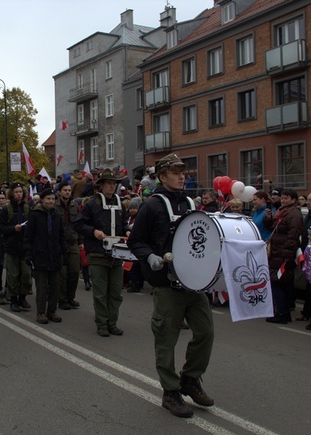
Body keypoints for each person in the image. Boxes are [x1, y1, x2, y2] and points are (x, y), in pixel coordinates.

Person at [128, 153, 214, 418]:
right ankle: (170, 392)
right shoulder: (151, 206)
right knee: (167, 338)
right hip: (166, 284)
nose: (181, 176)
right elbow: (136, 241)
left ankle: (190, 378)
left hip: (193, 283)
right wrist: (150, 256)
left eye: (183, 172)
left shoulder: (190, 202)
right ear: (162, 176)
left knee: (205, 332)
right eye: (176, 172)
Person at [74, 169, 128, 337]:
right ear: (102, 185)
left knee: (116, 292)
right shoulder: (92, 204)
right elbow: (79, 224)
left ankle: (112, 323)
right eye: (109, 183)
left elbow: (123, 224)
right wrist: (93, 231)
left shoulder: (120, 203)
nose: (112, 186)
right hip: (98, 254)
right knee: (100, 293)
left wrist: (127, 231)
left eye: (114, 183)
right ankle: (102, 323)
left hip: (117, 255)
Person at [24, 188, 67, 324]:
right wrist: (29, 253)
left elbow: (61, 236)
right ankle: (41, 312)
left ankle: (52, 310)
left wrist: (63, 252)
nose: (50, 201)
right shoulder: (35, 215)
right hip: (40, 255)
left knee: (55, 285)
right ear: (42, 200)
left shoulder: (57, 215)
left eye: (53, 199)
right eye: (48, 199)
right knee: (42, 287)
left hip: (54, 255)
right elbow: (28, 236)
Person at [264, 189, 303, 324]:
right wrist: (268, 218)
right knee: (281, 283)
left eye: (286, 198)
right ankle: (283, 311)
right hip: (276, 252)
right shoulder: (281, 212)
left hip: (282, 254)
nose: (283, 200)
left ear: (293, 200)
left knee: (277, 283)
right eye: (283, 198)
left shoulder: (294, 214)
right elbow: (273, 228)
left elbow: (293, 235)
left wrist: (287, 255)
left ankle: (281, 312)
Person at [0, 182, 33, 312]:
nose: (19, 194)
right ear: (12, 193)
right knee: (13, 275)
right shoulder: (6, 210)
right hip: (11, 247)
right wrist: (13, 229)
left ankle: (22, 298)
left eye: (20, 192)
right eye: (16, 192)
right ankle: (13, 300)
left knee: (26, 275)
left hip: (24, 247)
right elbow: (1, 228)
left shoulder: (27, 208)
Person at [56, 182, 82, 310]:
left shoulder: (74, 206)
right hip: (60, 244)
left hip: (73, 242)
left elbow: (78, 224)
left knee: (74, 272)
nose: (67, 192)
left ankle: (71, 297)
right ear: (59, 192)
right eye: (65, 190)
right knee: (62, 274)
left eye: (69, 190)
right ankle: (62, 299)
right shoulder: (55, 206)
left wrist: (81, 241)